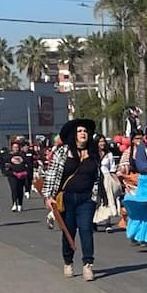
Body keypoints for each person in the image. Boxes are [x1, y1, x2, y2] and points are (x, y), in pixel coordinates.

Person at [42, 119, 106, 281]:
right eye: (79, 131)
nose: (83, 133)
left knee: (86, 229)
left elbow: (98, 177)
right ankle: (68, 261)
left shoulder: (94, 152)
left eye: (85, 131)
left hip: (86, 198)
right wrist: (48, 196)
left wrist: (95, 197)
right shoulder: (62, 151)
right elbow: (51, 174)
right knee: (68, 230)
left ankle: (88, 265)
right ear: (73, 135)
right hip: (66, 198)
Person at [3, 139, 30, 213]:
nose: (16, 149)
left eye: (17, 147)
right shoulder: (8, 156)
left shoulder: (22, 155)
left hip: (21, 175)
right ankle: (14, 203)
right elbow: (5, 167)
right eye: (14, 147)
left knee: (20, 189)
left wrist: (26, 172)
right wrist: (9, 172)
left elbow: (27, 165)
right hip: (12, 175)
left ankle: (20, 204)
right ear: (12, 148)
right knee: (14, 189)